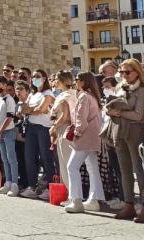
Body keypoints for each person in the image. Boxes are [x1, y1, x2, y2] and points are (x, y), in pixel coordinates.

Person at [105, 58, 144, 222]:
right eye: (122, 72)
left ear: (137, 72)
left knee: (139, 170)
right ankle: (129, 204)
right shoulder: (119, 88)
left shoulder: (143, 91)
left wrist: (119, 113)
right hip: (118, 130)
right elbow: (112, 107)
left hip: (134, 131)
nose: (124, 75)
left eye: (127, 72)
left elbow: (139, 115)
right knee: (124, 170)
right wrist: (109, 110)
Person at [64, 72, 105, 213]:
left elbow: (81, 120)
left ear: (82, 82)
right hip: (94, 135)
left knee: (72, 166)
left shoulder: (83, 97)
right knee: (92, 167)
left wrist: (76, 134)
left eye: (77, 80)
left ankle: (76, 200)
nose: (75, 82)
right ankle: (94, 200)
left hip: (85, 136)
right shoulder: (92, 96)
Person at [20, 69, 55, 200]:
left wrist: (31, 110)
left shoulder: (48, 93)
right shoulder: (33, 94)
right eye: (33, 77)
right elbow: (25, 109)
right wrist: (31, 110)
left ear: (44, 78)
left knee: (46, 158)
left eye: (37, 76)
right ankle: (32, 186)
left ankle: (48, 187)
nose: (34, 79)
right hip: (31, 127)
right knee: (29, 157)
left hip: (43, 128)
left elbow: (42, 109)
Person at [49, 70, 78, 187]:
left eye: (56, 79)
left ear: (62, 81)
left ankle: (70, 193)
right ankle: (69, 192)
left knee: (66, 162)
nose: (55, 81)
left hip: (64, 129)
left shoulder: (66, 96)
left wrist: (54, 127)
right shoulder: (71, 93)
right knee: (65, 162)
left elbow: (65, 116)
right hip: (65, 129)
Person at [0, 76, 19, 196]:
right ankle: (7, 182)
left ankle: (14, 184)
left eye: (0, 85)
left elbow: (9, 117)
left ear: (5, 85)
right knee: (4, 158)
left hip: (8, 131)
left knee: (11, 158)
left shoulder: (9, 100)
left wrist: (1, 131)